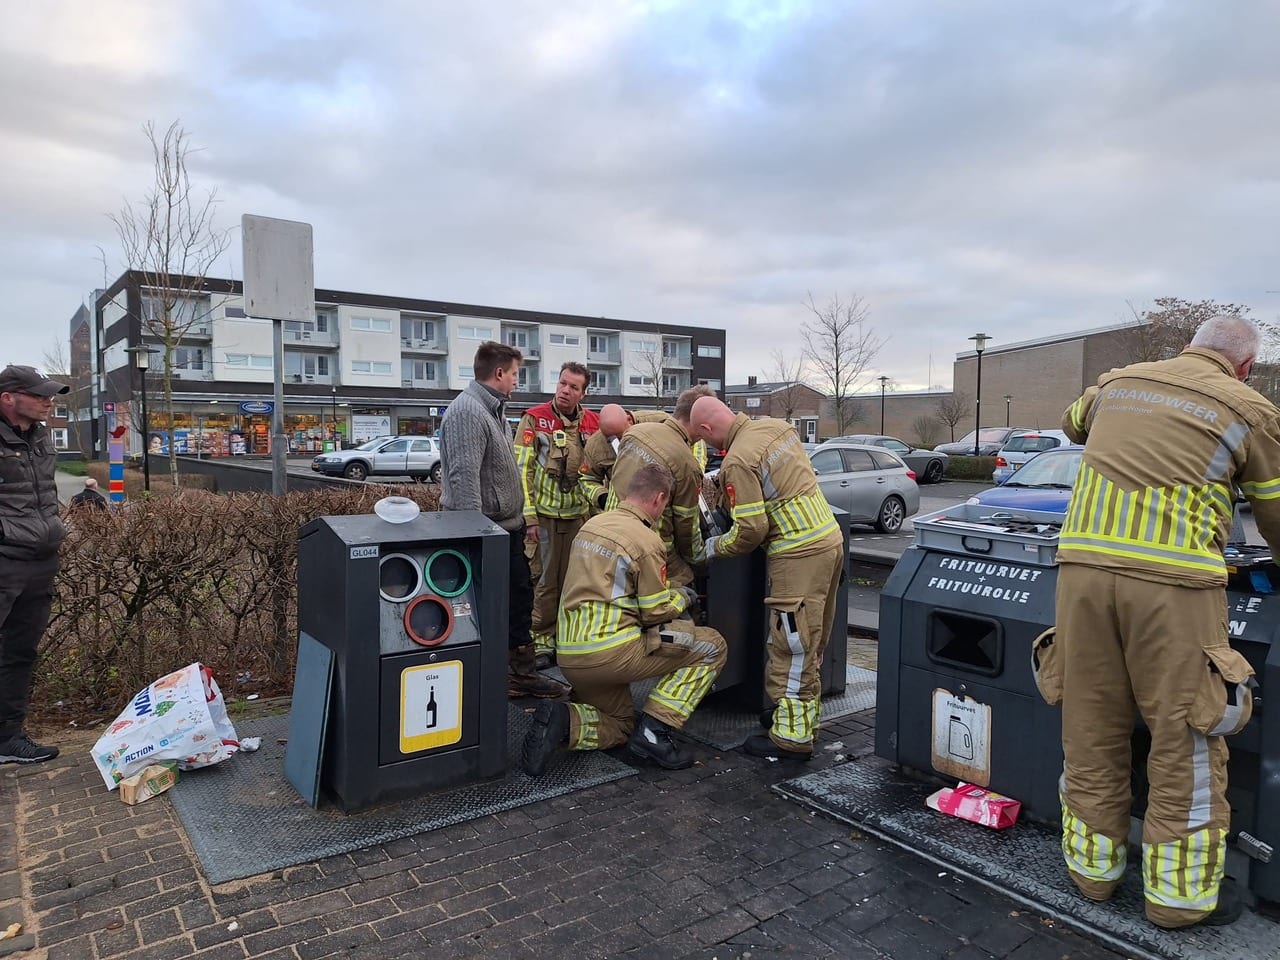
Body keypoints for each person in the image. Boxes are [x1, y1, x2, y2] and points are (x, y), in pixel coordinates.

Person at [1052, 314, 1280, 929]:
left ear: (1188, 347)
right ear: (1245, 364)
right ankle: (1178, 902)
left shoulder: (1119, 383)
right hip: (1175, 589)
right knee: (1186, 736)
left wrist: (1113, 381)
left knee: (1091, 721)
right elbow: (1276, 514)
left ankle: (1091, 874)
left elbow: (1071, 424)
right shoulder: (1251, 408)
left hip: (1081, 578)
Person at [521, 462, 726, 776]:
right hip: (613, 653)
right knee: (712, 644)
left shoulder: (591, 526)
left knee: (618, 725)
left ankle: (566, 722)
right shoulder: (646, 541)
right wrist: (683, 595)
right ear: (658, 499)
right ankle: (656, 732)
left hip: (572, 656)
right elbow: (655, 611)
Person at [688, 395, 843, 761]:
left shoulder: (739, 460)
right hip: (828, 541)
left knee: (791, 645)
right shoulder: (777, 428)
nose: (707, 445)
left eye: (703, 439)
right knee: (812, 641)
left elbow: (752, 530)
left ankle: (791, 738)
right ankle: (800, 718)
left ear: (708, 429)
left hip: (797, 554)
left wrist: (710, 549)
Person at [438, 342, 569, 699]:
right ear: (498, 373)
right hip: (488, 535)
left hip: (501, 531)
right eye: (514, 374)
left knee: (517, 603)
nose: (516, 381)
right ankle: (509, 678)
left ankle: (516, 674)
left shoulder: (490, 409)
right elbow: (465, 483)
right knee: (503, 607)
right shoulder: (468, 412)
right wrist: (479, 544)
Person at [0, 364, 70, 764]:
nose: (48, 401)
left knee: (20, 653)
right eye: (39, 395)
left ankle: (8, 738)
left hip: (40, 561)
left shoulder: (41, 437)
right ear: (9, 397)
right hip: (5, 560)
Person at [514, 362, 600, 660]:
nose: (565, 390)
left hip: (579, 518)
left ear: (583, 394)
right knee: (544, 582)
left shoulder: (593, 424)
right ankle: (539, 642)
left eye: (573, 387)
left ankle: (567, 639)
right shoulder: (535, 419)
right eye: (563, 383)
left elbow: (601, 471)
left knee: (575, 582)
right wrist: (529, 518)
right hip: (545, 519)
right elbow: (521, 470)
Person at [606, 386, 714, 589]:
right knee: (684, 586)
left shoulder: (634, 433)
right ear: (700, 421)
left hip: (610, 534)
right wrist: (701, 560)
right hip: (650, 550)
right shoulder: (686, 463)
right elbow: (686, 529)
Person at [578, 404, 669, 512]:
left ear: (629, 420)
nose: (616, 443)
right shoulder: (595, 445)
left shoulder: (659, 422)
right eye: (610, 439)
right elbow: (586, 479)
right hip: (622, 509)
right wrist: (602, 498)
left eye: (620, 436)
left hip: (659, 505)